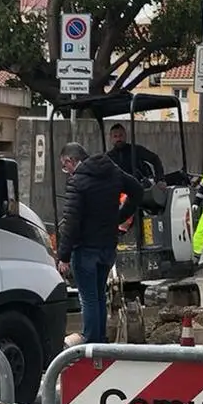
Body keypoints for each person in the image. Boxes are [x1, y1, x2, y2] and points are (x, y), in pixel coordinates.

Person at [57, 140, 143, 344]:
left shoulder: (77, 181)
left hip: (85, 248)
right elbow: (137, 191)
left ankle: (91, 342)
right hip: (107, 247)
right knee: (98, 296)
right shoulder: (112, 170)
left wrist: (63, 256)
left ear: (71, 161)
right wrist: (120, 217)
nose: (65, 170)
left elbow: (72, 221)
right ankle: (100, 341)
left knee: (88, 298)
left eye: (64, 166)